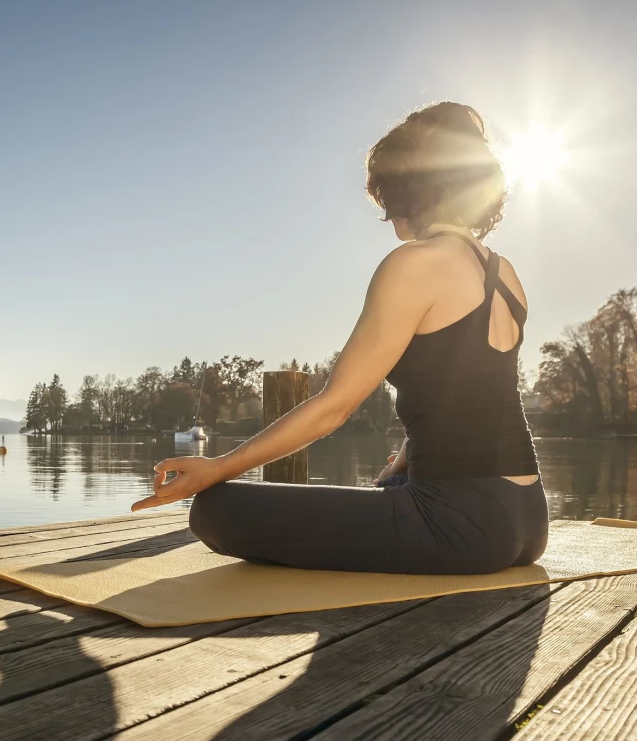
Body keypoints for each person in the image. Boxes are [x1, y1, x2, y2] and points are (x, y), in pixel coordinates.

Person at [131, 102, 547, 574]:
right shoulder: (504, 272)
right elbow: (471, 386)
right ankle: (402, 488)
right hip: (528, 518)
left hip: (461, 526)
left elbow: (335, 407)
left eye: (388, 205)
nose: (391, 222)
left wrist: (219, 467)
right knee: (386, 490)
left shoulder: (414, 263)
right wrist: (405, 462)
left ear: (406, 191)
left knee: (214, 510)